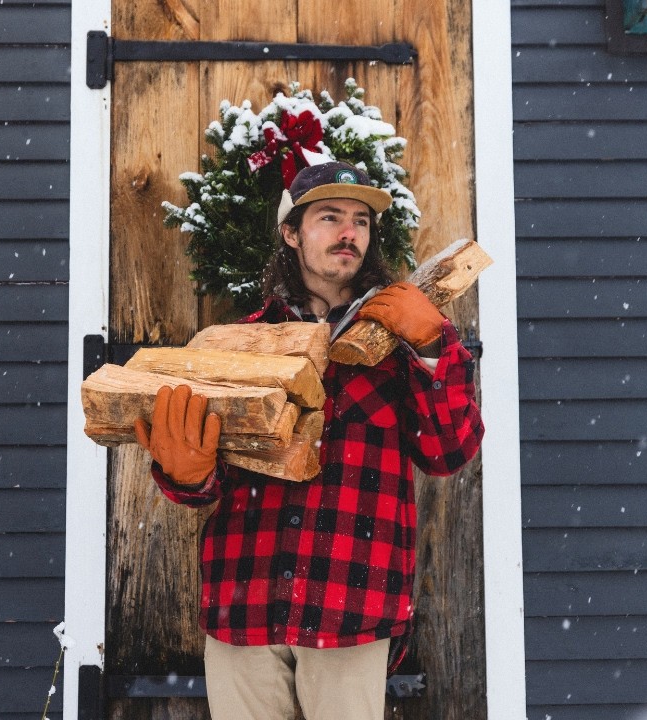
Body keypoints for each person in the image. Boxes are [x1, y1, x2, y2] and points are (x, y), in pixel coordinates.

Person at [133, 160, 484, 720]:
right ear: (291, 233)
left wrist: (434, 346)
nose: (350, 232)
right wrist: (187, 475)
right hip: (243, 599)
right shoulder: (244, 343)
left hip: (351, 601)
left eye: (361, 220)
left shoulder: (400, 342)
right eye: (329, 216)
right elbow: (203, 483)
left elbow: (450, 452)